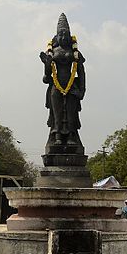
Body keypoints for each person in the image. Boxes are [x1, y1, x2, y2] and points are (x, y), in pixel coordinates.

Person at [40, 13, 86, 152]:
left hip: (72, 86)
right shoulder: (52, 52)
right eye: (61, 34)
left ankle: (72, 135)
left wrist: (82, 90)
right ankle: (57, 135)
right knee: (57, 112)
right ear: (56, 36)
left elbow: (81, 71)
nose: (63, 37)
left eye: (66, 34)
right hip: (56, 85)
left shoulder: (75, 53)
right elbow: (47, 76)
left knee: (72, 112)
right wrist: (47, 64)